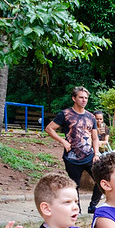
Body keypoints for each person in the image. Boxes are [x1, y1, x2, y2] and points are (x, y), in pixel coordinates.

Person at [45, 86, 102, 214]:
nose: (84, 100)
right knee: (74, 186)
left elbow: (94, 137)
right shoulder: (65, 114)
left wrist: (96, 153)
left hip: (89, 156)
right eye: (81, 97)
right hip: (72, 157)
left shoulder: (91, 117)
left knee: (101, 180)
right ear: (74, 98)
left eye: (86, 98)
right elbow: (49, 129)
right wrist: (63, 141)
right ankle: (78, 211)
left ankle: (93, 206)